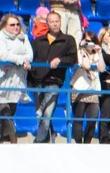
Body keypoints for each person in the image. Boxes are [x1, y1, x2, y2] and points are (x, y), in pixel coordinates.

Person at [30, 10, 78, 143]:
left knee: (46, 113)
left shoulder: (68, 40)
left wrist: (60, 60)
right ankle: (50, 138)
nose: (55, 24)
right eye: (51, 22)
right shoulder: (38, 41)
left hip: (55, 80)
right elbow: (31, 58)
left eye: (57, 21)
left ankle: (38, 142)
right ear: (47, 24)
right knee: (42, 116)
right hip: (38, 80)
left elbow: (73, 58)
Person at [71, 31, 103, 143]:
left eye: (92, 41)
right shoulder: (79, 52)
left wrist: (99, 53)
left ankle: (87, 142)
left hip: (93, 89)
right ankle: (78, 143)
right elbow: (86, 65)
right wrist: (82, 49)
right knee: (78, 118)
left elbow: (102, 68)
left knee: (92, 118)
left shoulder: (97, 54)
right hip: (79, 88)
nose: (90, 44)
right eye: (88, 41)